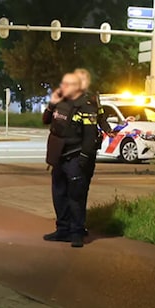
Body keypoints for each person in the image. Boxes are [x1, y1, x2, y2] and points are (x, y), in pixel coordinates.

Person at [42, 72, 97, 248]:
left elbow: (90, 136)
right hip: (59, 158)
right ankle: (62, 230)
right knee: (59, 195)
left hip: (75, 157)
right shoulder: (61, 103)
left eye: (68, 84)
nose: (63, 87)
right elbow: (45, 120)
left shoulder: (86, 107)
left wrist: (83, 159)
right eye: (63, 83)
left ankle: (77, 233)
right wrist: (52, 103)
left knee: (76, 197)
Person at [73, 68, 107, 236]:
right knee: (77, 190)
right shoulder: (75, 101)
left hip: (89, 152)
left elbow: (101, 117)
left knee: (83, 188)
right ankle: (76, 227)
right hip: (79, 152)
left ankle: (79, 225)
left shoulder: (93, 99)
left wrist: (109, 129)